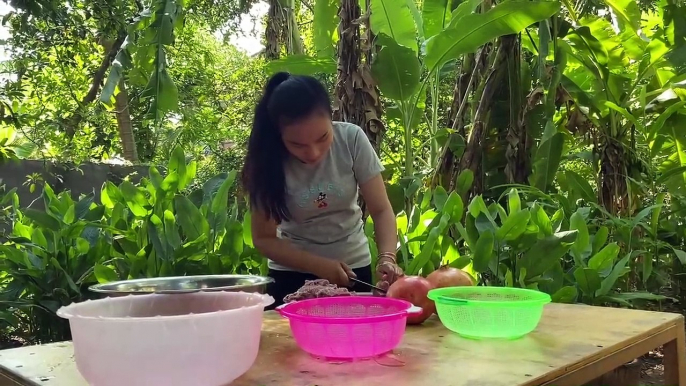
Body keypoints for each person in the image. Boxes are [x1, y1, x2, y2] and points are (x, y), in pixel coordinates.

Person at [241, 72, 403, 309]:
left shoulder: (351, 139)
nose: (314, 153)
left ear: (331, 116)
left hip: (354, 273)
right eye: (297, 145)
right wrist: (318, 265)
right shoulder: (267, 160)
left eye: (323, 137)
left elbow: (381, 210)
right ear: (279, 135)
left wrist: (387, 257)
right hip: (291, 277)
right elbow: (264, 238)